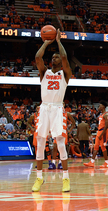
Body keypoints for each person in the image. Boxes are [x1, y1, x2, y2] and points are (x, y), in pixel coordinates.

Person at [32, 29, 72, 192]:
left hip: (57, 108)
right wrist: (47, 42)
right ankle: (39, 178)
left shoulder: (65, 73)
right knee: (40, 142)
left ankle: (66, 178)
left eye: (56, 57)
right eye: (52, 57)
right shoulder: (44, 73)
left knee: (61, 143)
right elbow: (37, 57)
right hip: (44, 107)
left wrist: (58, 41)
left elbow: (64, 57)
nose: (54, 58)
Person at [84, 100, 108, 168]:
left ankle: (106, 163)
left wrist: (102, 134)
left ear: (103, 107)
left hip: (103, 132)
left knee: (103, 147)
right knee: (96, 147)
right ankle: (92, 162)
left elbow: (106, 126)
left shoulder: (106, 115)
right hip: (99, 131)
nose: (99, 107)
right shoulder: (101, 114)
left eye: (100, 106)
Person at [51, 104, 76, 169]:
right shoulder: (55, 113)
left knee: (62, 148)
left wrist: (70, 130)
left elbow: (73, 122)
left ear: (63, 105)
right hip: (57, 132)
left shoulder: (67, 114)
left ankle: (60, 163)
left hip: (64, 132)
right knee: (55, 147)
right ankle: (53, 163)